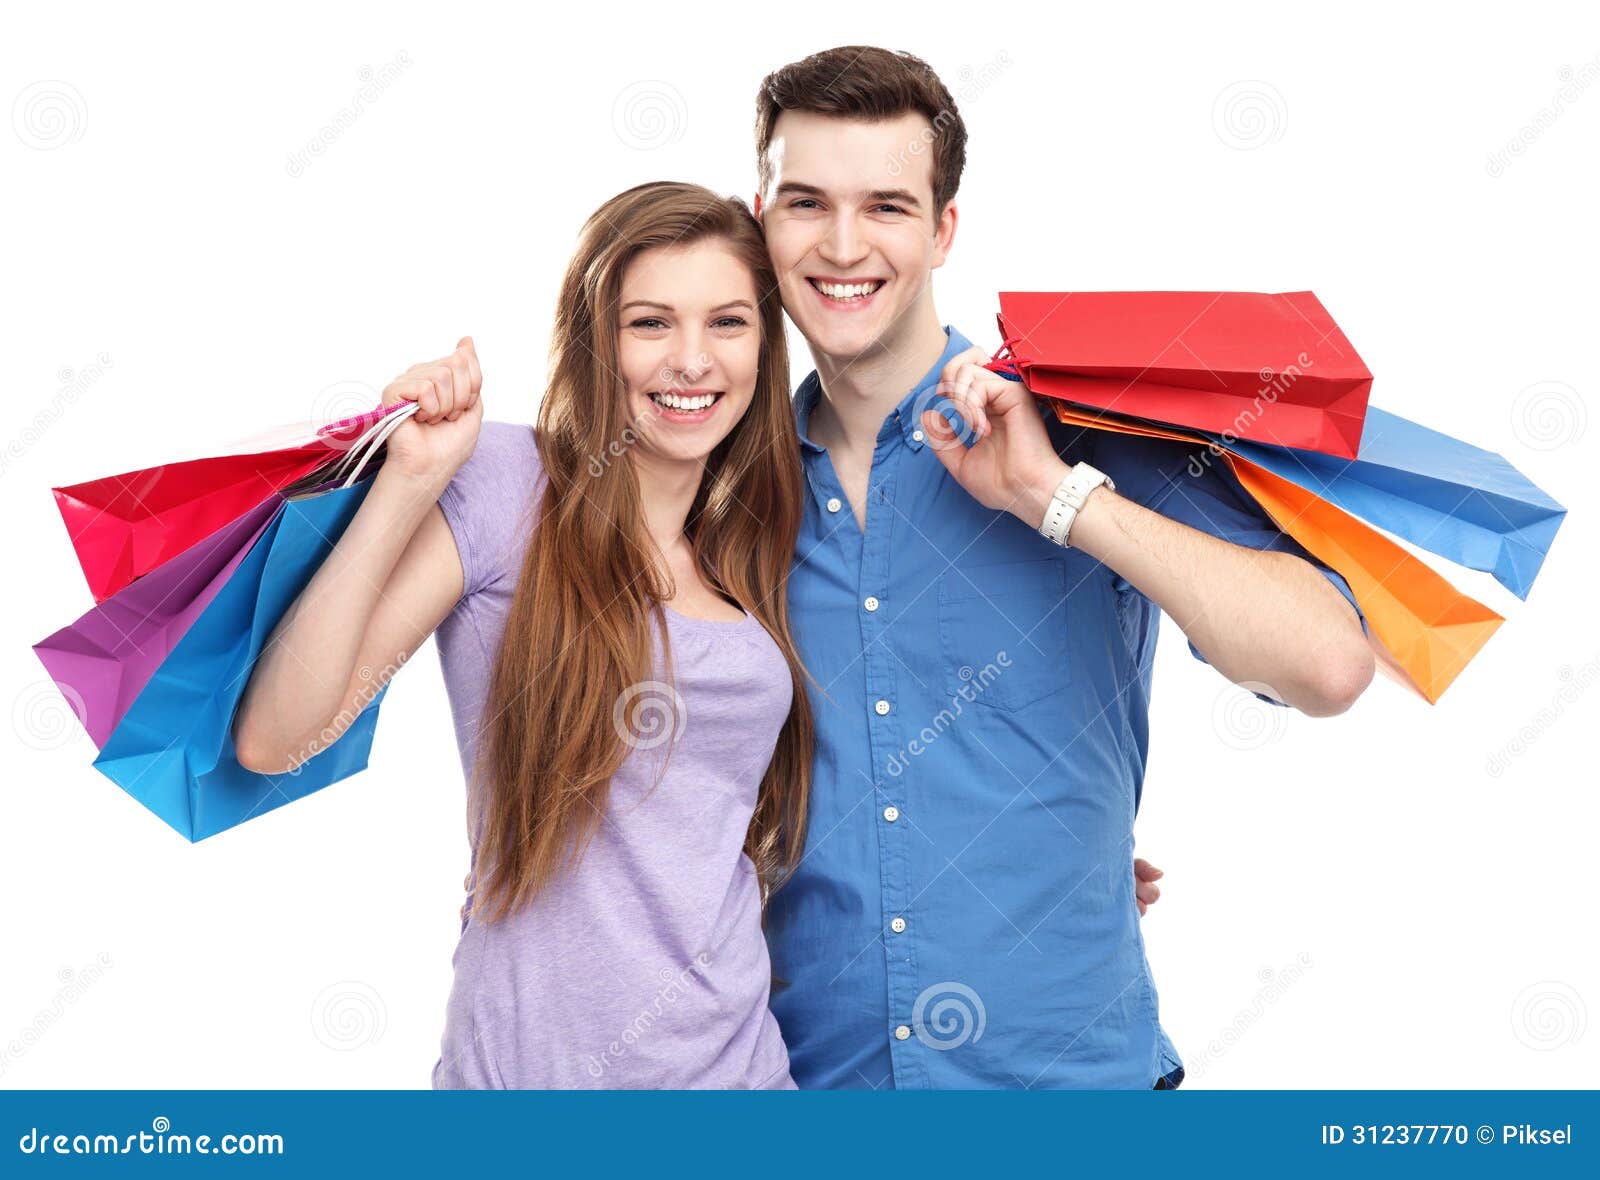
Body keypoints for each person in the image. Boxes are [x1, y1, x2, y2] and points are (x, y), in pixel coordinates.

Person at [750, 46, 1376, 1089]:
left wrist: (1053, 497)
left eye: (888, 207)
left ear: (945, 228)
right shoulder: (723, 487)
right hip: (806, 1091)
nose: (843, 245)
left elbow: (1327, 664)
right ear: (759, 215)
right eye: (805, 202)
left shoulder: (1090, 436)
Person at [233, 182, 815, 1088]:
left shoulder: (755, 545)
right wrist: (410, 480)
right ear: (597, 342)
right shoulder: (511, 486)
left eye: (729, 323)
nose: (693, 360)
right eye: (651, 323)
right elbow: (277, 737)